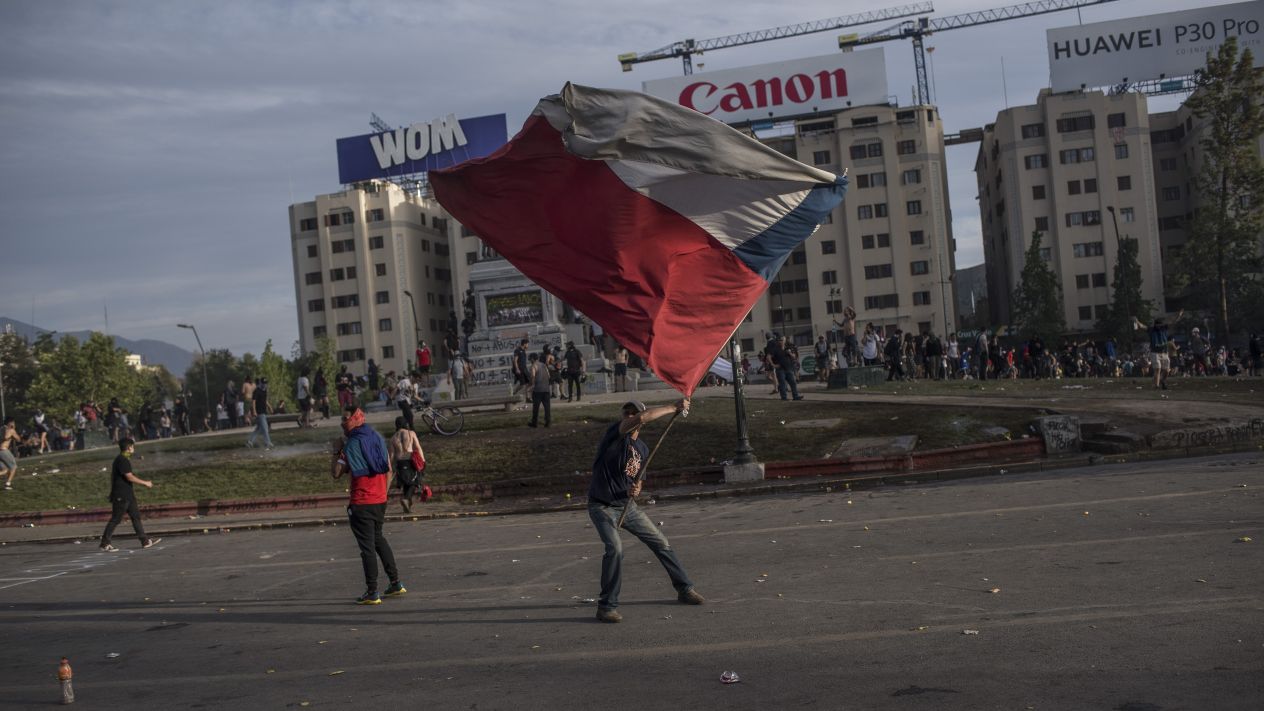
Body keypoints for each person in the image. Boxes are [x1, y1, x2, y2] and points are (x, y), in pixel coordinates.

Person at [588, 398, 703, 623]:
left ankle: (684, 589)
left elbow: (638, 480)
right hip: (601, 506)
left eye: (634, 413)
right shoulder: (614, 434)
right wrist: (673, 408)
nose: (630, 416)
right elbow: (641, 417)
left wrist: (636, 488)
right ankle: (606, 606)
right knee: (615, 549)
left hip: (627, 506)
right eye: (626, 413)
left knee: (661, 542)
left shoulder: (641, 449)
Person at [333, 406, 405, 605]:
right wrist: (383, 491)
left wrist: (336, 450)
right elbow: (389, 468)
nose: (342, 423)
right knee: (378, 540)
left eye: (345, 419)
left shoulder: (351, 445)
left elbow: (337, 472)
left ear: (356, 418)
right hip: (379, 500)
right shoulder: (376, 439)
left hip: (362, 502)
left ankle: (372, 591)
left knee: (367, 548)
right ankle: (395, 583)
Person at [99, 437, 161, 551]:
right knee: (116, 519)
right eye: (132, 446)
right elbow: (129, 477)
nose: (133, 448)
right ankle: (104, 543)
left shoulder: (123, 459)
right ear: (128, 448)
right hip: (121, 495)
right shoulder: (122, 460)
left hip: (128, 494)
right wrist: (145, 483)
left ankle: (145, 541)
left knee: (136, 517)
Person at [1135, 310, 1183, 389]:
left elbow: (1173, 322)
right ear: (1156, 325)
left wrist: (1179, 316)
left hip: (1164, 352)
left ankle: (1162, 380)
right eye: (1158, 325)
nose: (1159, 326)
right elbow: (1142, 326)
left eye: (1160, 325)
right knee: (1157, 369)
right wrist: (1137, 321)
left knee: (1167, 370)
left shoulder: (1164, 328)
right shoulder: (1151, 330)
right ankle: (1156, 386)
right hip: (1155, 352)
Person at [388, 416, 425, 512]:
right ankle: (406, 500)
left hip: (400, 462)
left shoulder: (393, 438)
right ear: (405, 423)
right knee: (414, 482)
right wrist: (423, 460)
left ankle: (407, 506)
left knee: (405, 484)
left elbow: (391, 456)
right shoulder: (411, 433)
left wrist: (389, 468)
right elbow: (418, 447)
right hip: (410, 460)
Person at [768, 335, 803, 400]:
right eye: (780, 340)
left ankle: (795, 396)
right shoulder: (775, 349)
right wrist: (773, 365)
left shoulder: (788, 348)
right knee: (782, 383)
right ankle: (784, 397)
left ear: (785, 341)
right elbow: (768, 356)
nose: (781, 341)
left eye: (782, 340)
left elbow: (794, 356)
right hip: (780, 369)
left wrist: (790, 353)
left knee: (793, 382)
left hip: (788, 368)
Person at [246, 377, 274, 449]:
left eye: (266, 383)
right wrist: (254, 411)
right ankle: (268, 442)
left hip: (263, 411)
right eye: (263, 383)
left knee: (258, 428)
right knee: (265, 428)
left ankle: (250, 441)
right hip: (259, 412)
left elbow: (265, 400)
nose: (265, 385)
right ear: (260, 383)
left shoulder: (265, 391)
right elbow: (253, 402)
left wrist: (269, 406)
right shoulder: (257, 391)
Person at [528, 352, 552, 428]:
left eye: (530, 359)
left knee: (536, 407)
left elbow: (533, 376)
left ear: (532, 359)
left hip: (538, 390)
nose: (529, 361)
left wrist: (531, 386)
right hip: (546, 389)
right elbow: (548, 376)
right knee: (547, 407)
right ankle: (548, 422)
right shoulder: (544, 365)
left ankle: (534, 423)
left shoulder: (534, 366)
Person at [1, 417, 20, 491]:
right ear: (10, 423)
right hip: (3, 450)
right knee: (13, 467)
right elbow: (18, 439)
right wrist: (14, 430)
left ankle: (8, 483)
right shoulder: (11, 430)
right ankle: (8, 484)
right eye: (13, 422)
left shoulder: (1, 429)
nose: (14, 424)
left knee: (5, 470)